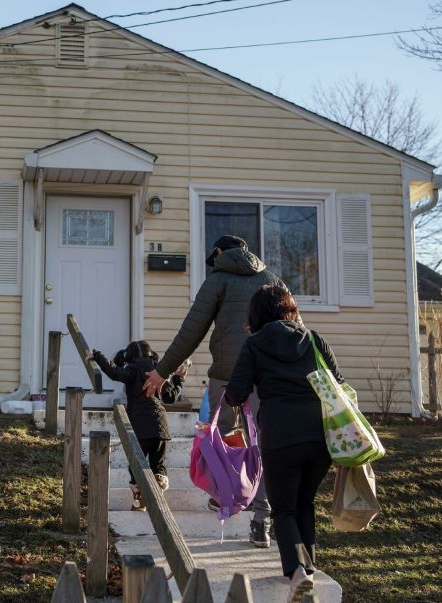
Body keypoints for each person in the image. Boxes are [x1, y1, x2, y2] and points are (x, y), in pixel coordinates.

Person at [142, 235, 283, 546]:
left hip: (227, 376)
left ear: (219, 252)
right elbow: (293, 326)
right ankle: (262, 521)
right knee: (262, 443)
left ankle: (224, 496)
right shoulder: (272, 279)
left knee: (219, 438)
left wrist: (162, 371)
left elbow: (192, 329)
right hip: (266, 377)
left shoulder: (218, 280)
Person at [224, 285, 342, 602]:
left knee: (284, 509)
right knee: (305, 503)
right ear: (290, 308)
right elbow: (340, 385)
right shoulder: (315, 340)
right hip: (321, 438)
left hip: (280, 437)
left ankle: (298, 573)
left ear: (256, 314)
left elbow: (236, 390)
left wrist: (234, 400)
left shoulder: (254, 345)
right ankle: (308, 568)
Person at [88, 340, 186, 510]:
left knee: (136, 465)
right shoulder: (159, 370)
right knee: (158, 464)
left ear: (130, 357)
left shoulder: (132, 370)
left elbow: (113, 372)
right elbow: (171, 397)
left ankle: (139, 497)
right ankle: (159, 479)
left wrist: (97, 355)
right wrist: (178, 379)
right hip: (160, 426)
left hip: (140, 426)